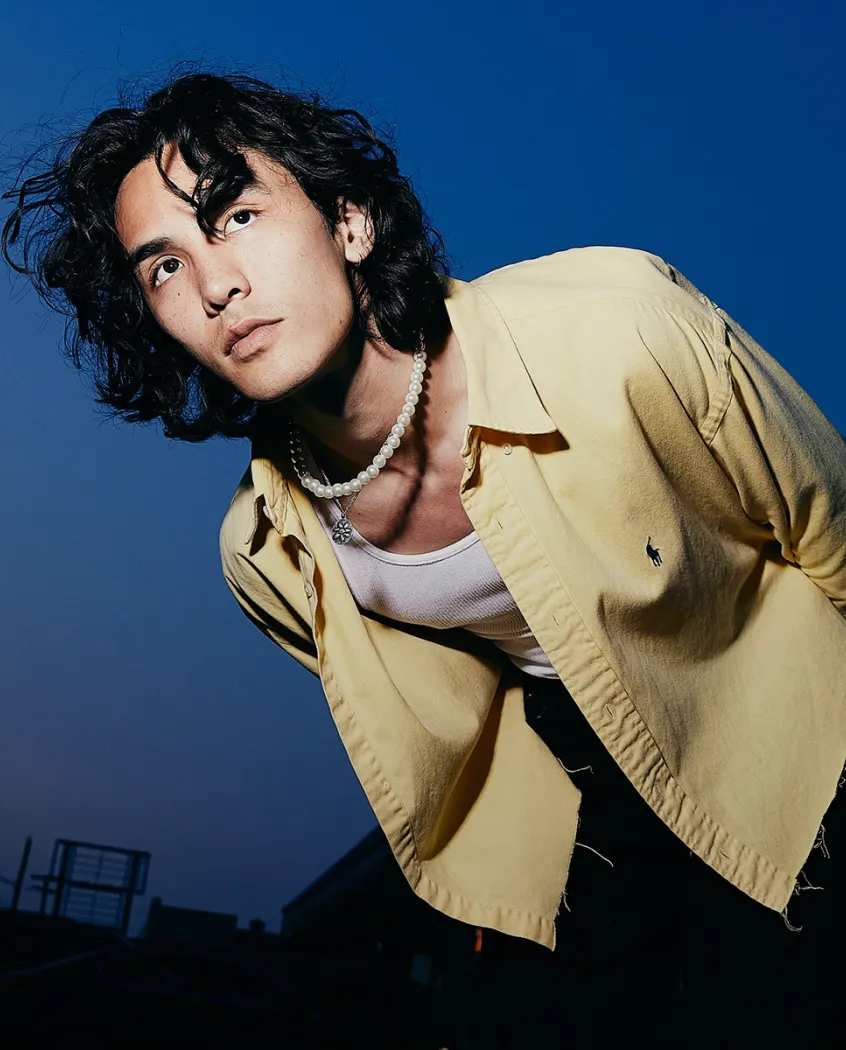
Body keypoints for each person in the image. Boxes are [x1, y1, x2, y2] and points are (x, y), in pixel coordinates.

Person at [4, 70, 846, 1044]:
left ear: (349, 222)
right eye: (162, 266)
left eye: (233, 214)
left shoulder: (617, 329)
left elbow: (829, 531)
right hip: (577, 785)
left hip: (789, 719)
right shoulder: (267, 555)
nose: (213, 284)